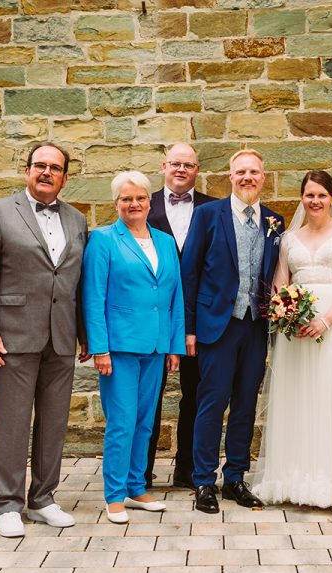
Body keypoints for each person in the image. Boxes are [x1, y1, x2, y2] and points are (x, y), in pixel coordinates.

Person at [0, 143, 89, 538]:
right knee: (13, 422)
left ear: (64, 177)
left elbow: (79, 283)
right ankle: (7, 503)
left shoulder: (77, 219)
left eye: (54, 168)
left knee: (54, 422)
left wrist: (85, 333)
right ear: (27, 171)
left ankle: (43, 498)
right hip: (14, 334)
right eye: (39, 165)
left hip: (61, 336)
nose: (46, 172)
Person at [251, 171, 332, 516]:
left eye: (322, 195)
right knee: (299, 398)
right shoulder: (289, 238)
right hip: (297, 329)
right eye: (309, 195)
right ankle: (295, 481)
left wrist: (324, 320)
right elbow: (280, 282)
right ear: (302, 198)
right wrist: (285, 312)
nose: (315, 201)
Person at [182, 149, 285, 514]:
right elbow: (189, 274)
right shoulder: (207, 215)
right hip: (216, 327)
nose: (247, 177)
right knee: (211, 403)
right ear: (230, 176)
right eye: (240, 171)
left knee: (246, 404)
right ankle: (204, 482)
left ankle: (236, 478)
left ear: (263, 176)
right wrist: (189, 329)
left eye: (253, 172)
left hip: (256, 327)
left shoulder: (275, 221)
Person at [82, 171, 185, 523]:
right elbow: (93, 297)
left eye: (140, 198)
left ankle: (135, 485)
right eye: (126, 199)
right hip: (119, 347)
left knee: (145, 422)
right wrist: (100, 348)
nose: (134, 204)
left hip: (155, 344)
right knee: (122, 422)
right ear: (116, 204)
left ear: (149, 201)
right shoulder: (103, 240)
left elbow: (175, 296)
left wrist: (173, 344)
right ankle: (113, 494)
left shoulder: (165, 242)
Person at [145, 143, 217, 490]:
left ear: (197, 170)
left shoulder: (213, 208)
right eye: (175, 163)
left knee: (196, 394)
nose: (181, 169)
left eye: (188, 165)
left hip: (199, 320)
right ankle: (141, 473)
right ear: (163, 166)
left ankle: (187, 470)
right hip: (155, 318)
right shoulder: (144, 206)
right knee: (149, 395)